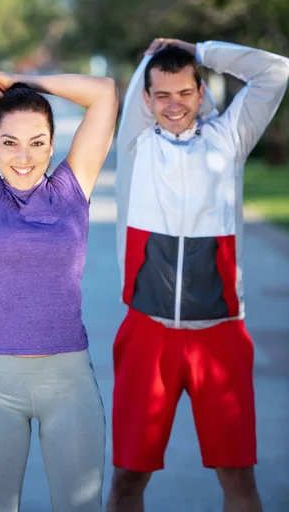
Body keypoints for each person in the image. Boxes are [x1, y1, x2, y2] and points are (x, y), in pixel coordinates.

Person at [107, 38, 289, 512]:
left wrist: (200, 50)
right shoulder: (135, 144)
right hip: (148, 334)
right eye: (161, 95)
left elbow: (276, 72)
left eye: (185, 93)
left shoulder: (229, 139)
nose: (173, 105)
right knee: (127, 478)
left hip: (221, 336)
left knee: (239, 480)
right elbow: (138, 89)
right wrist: (150, 57)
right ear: (146, 100)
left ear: (202, 93)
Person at [0, 68, 118, 512]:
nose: (23, 157)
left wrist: (18, 78)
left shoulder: (72, 188)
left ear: (53, 143)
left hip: (70, 384)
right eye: (9, 142)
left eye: (37, 142)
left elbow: (103, 93)